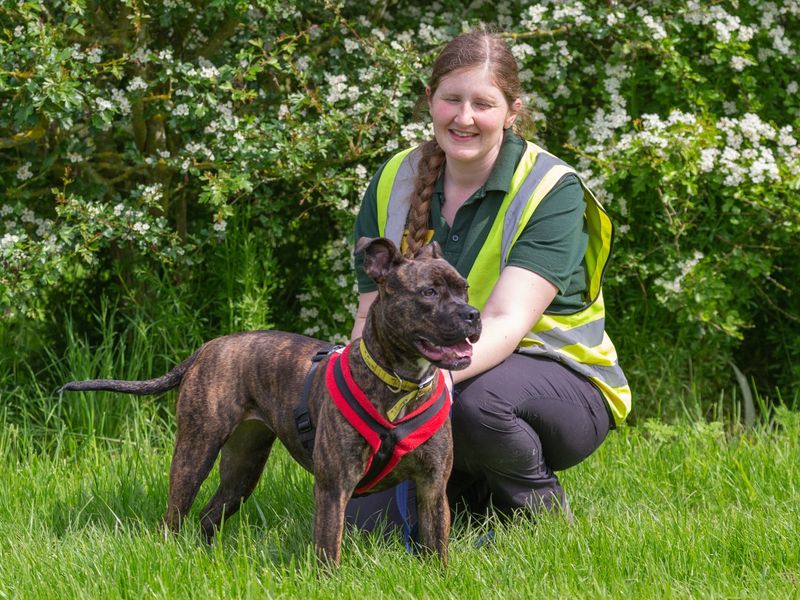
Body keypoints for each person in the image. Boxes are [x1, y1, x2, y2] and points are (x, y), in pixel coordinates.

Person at [346, 28, 631, 535]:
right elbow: (371, 314)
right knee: (364, 526)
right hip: (432, 370)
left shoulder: (550, 188)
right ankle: (471, 503)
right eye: (451, 100)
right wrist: (363, 398)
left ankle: (540, 521)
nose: (464, 118)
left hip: (557, 375)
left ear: (511, 111)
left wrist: (422, 388)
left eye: (483, 103)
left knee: (480, 408)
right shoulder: (395, 177)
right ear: (429, 100)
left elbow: (504, 321)